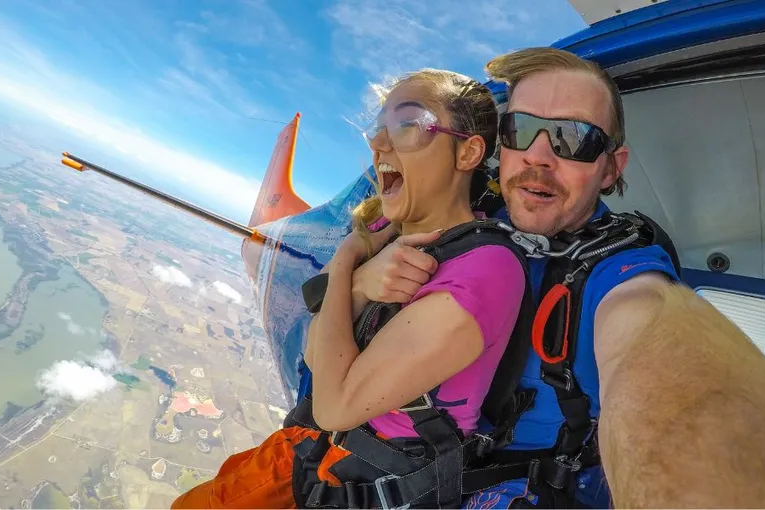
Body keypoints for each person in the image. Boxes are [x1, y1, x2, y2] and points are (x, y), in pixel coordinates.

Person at [350, 47, 765, 508]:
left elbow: (656, 344)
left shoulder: (620, 268)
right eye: (520, 129)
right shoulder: (454, 213)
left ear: (611, 167)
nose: (539, 157)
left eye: (575, 138)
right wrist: (360, 283)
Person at [171, 69, 531, 508]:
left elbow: (335, 405)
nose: (379, 144)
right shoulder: (387, 238)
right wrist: (360, 280)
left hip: (360, 487)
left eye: (408, 126)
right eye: (379, 128)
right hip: (318, 468)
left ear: (468, 152)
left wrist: (344, 263)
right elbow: (313, 358)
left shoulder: (487, 266)